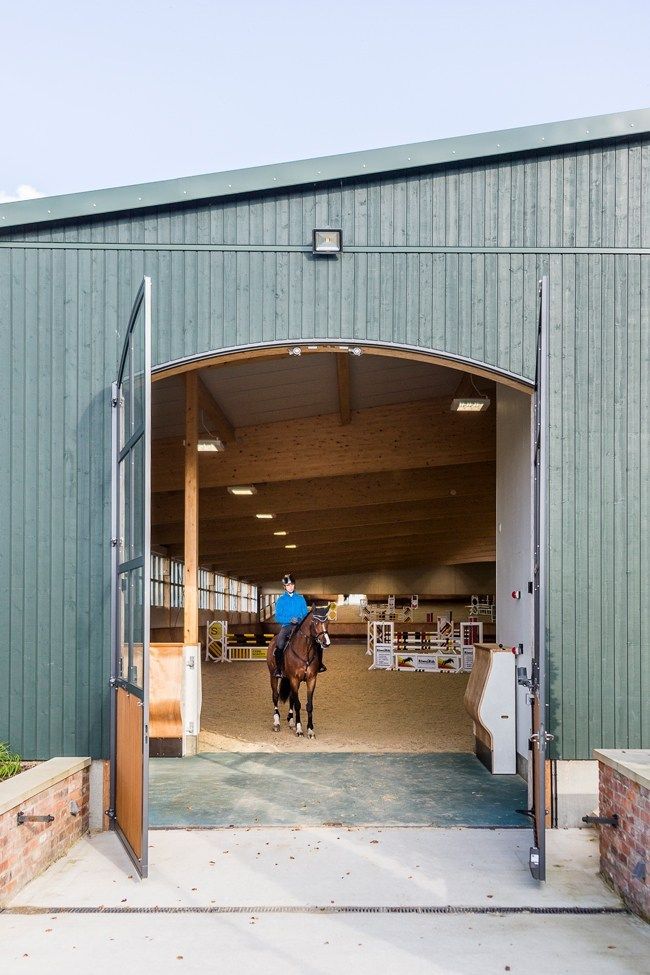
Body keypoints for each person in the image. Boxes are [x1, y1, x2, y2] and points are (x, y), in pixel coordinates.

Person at [273, 573, 327, 676]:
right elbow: (278, 617)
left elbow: (305, 614)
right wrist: (289, 620)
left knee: (317, 642)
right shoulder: (281, 600)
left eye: (292, 585)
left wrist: (300, 619)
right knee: (280, 643)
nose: (291, 587)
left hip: (301, 626)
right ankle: (279, 669)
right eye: (288, 585)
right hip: (287, 626)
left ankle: (319, 664)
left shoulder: (301, 599)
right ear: (284, 587)